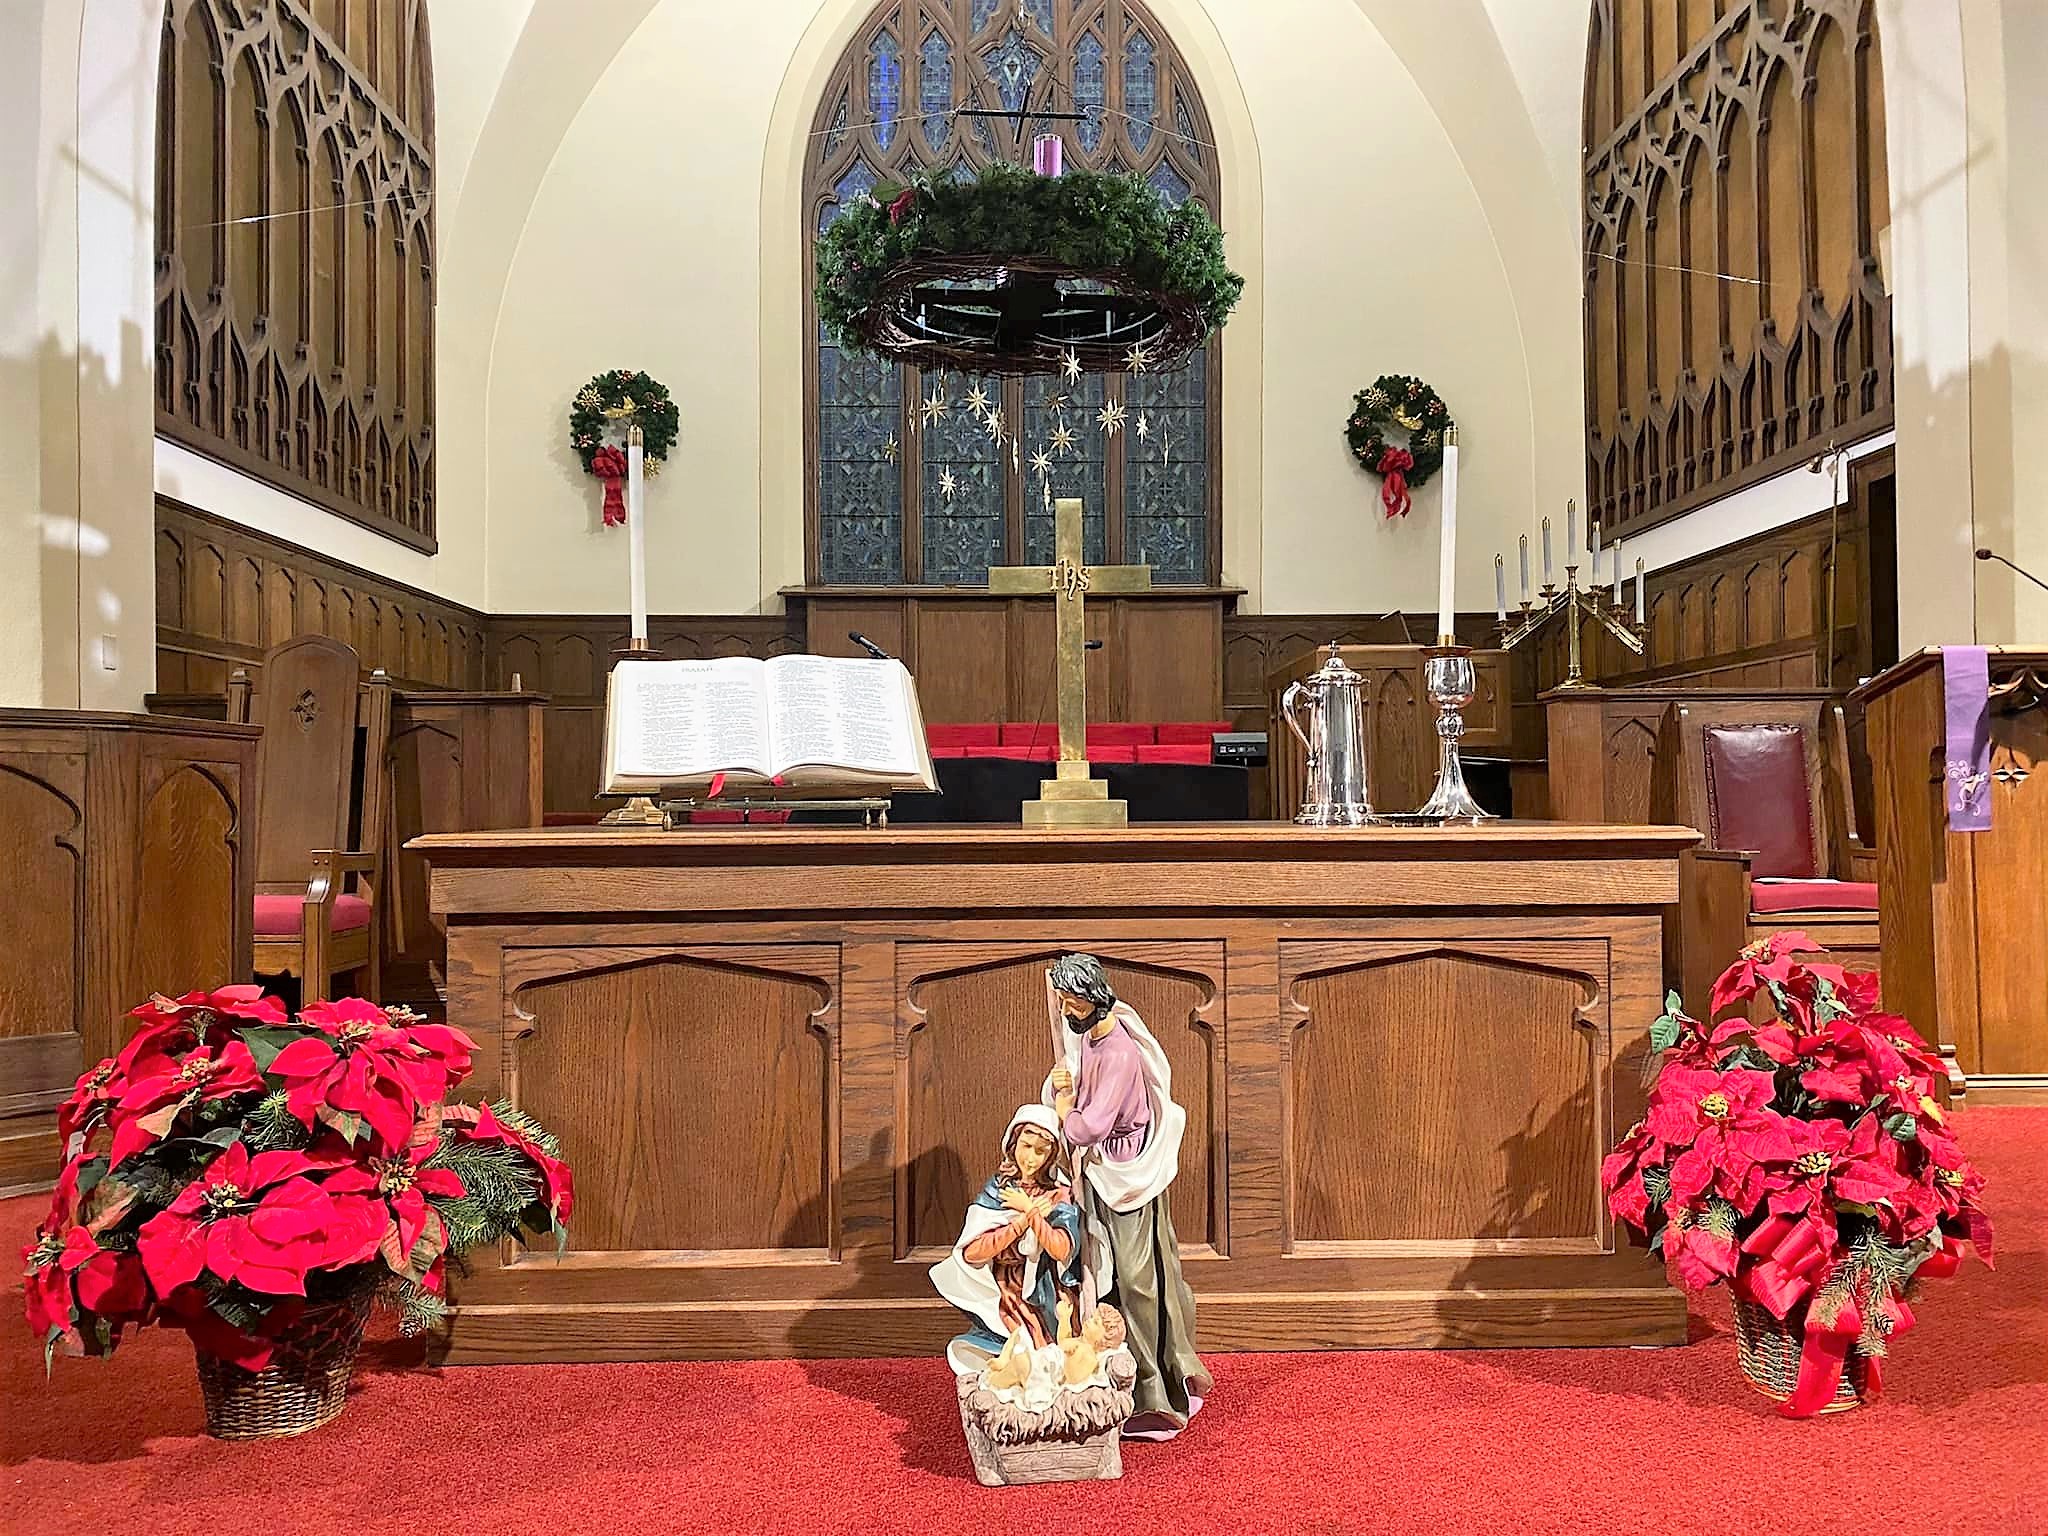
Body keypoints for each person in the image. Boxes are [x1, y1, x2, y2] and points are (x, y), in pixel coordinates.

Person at [1043, 952, 1211, 1435]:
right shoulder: (1088, 1035)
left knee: (1138, 1279)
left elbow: (1089, 1125)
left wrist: (1065, 1109)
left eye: (1072, 1002)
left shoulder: (1117, 1052)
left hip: (1126, 1174)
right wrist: (1065, 1084)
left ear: (1093, 998)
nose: (1066, 1011)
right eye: (1062, 1001)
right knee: (1105, 1270)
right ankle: (1118, 1375)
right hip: (1103, 1169)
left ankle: (1153, 1390)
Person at [930, 1105, 1084, 1376]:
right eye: (1026, 1146)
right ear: (1013, 1144)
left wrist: (1030, 1213)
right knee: (1012, 1350)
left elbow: (1062, 1250)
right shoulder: (998, 1189)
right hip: (1006, 1289)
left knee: (1051, 1356)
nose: (1031, 1158)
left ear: (1052, 1155)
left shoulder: (1059, 1194)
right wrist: (1022, 1222)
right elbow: (972, 1253)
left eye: (1041, 1151)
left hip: (1044, 1287)